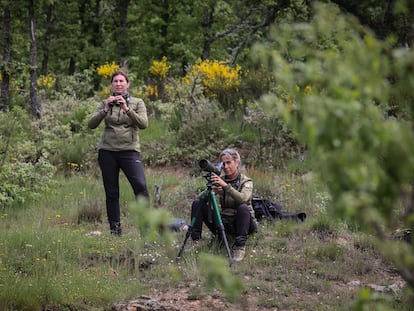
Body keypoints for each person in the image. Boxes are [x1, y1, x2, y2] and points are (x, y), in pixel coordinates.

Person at [88, 70, 149, 236]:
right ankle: (115, 231)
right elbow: (91, 124)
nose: (119, 84)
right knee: (112, 192)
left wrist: (127, 109)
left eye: (122, 81)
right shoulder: (105, 102)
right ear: (112, 84)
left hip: (129, 151)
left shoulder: (137, 102)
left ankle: (145, 228)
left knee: (140, 187)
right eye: (115, 81)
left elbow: (144, 124)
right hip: (107, 151)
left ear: (127, 84)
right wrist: (105, 109)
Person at [190, 148, 257, 262]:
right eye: (223, 163)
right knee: (198, 203)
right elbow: (199, 199)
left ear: (237, 162)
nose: (225, 167)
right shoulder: (220, 180)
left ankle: (239, 247)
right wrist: (211, 192)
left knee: (243, 207)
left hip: (244, 223)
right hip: (225, 222)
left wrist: (226, 186)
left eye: (229, 162)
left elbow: (243, 199)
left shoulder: (246, 181)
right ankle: (197, 241)